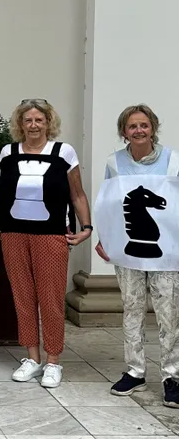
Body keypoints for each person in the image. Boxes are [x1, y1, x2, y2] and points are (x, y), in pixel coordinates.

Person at [0, 99, 92, 388]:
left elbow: (78, 194)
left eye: (39, 120)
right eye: (28, 120)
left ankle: (53, 361)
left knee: (51, 298)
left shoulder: (63, 153)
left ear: (48, 123)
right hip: (13, 234)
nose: (33, 125)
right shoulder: (8, 152)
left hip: (51, 235)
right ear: (20, 124)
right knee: (22, 297)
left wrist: (87, 227)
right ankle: (32, 357)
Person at [95, 104, 179, 406]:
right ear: (124, 131)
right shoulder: (114, 163)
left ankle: (172, 374)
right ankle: (135, 370)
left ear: (153, 128)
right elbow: (108, 205)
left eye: (144, 125)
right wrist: (104, 238)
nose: (139, 130)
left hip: (166, 254)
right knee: (132, 308)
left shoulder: (173, 162)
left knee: (168, 313)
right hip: (129, 251)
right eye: (133, 126)